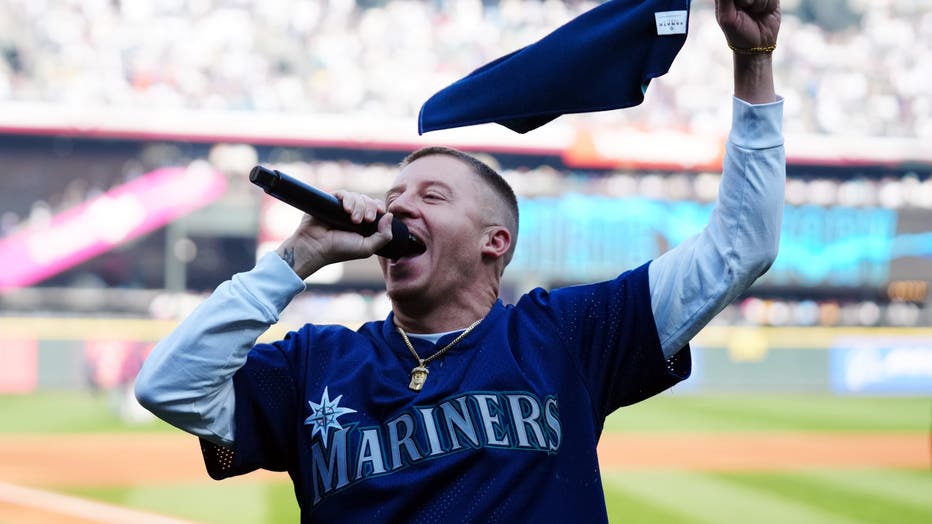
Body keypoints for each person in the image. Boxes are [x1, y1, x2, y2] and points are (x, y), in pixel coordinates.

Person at [135, 0, 784, 521]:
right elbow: (167, 388)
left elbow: (742, 246)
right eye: (394, 197)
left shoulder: (567, 337)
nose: (398, 209)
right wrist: (297, 257)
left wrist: (753, 60)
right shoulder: (315, 362)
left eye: (432, 195)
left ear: (493, 243)